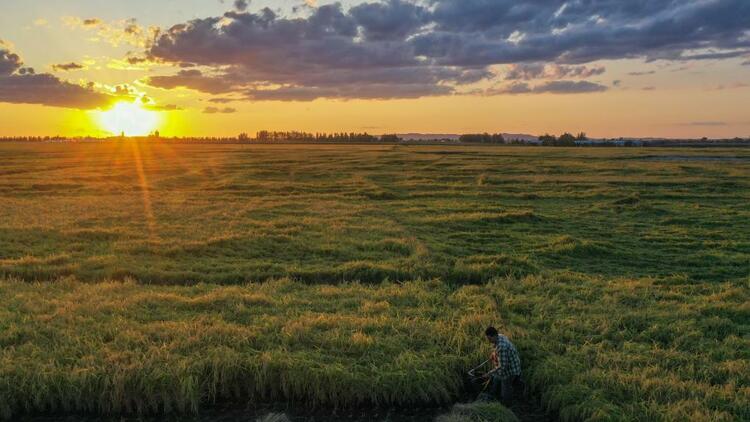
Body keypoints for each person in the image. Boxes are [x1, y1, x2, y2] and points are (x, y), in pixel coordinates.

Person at [484, 326, 521, 404]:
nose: (489, 341)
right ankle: (493, 393)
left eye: (490, 339)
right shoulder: (500, 336)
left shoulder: (502, 347)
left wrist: (490, 372)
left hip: (511, 370)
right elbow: (495, 347)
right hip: (508, 363)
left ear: (494, 335)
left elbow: (503, 367)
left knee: (505, 389)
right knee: (496, 378)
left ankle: (506, 404)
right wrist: (493, 354)